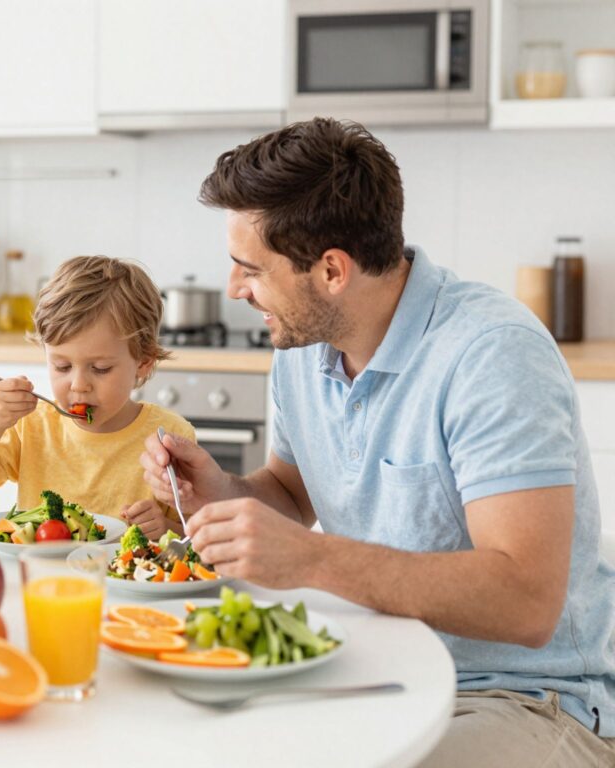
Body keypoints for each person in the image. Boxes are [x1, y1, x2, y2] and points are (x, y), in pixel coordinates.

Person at [140, 118, 615, 765]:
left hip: (518, 695)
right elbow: (289, 491)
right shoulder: (303, 349)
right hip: (365, 666)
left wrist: (311, 559)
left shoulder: (490, 355)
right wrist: (219, 492)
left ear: (332, 270)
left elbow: (527, 601)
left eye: (250, 268)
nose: (235, 289)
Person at [0, 255, 194, 538]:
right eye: (62, 367)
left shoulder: (170, 437)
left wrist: (165, 527)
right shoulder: (32, 424)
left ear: (143, 362)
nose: (78, 385)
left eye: (100, 368)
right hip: (40, 578)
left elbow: (198, 538)